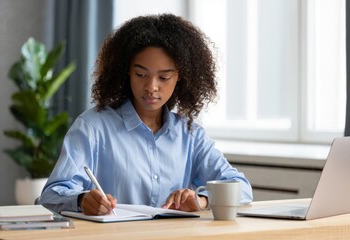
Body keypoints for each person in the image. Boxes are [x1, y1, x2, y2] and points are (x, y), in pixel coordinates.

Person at [39, 13, 253, 215]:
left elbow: (241, 188)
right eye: (141, 74)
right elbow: (49, 196)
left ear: (180, 77)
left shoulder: (190, 135)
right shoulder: (92, 127)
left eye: (164, 77)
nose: (151, 87)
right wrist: (82, 200)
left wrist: (201, 200)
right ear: (127, 72)